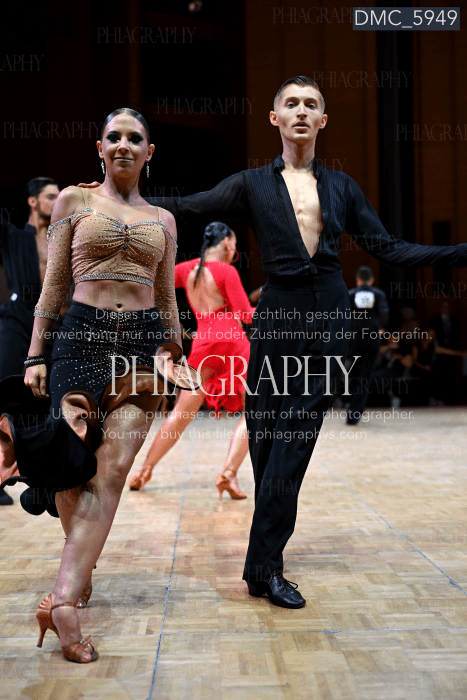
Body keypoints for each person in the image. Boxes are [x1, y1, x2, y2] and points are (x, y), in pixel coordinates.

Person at [81, 76, 467, 609]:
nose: (301, 111)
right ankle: (266, 564)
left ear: (322, 120)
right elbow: (188, 207)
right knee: (263, 439)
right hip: (277, 317)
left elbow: (391, 248)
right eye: (292, 104)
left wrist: (459, 253)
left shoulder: (342, 187)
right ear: (275, 118)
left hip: (328, 315)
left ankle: (264, 565)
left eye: (311, 104)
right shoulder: (250, 184)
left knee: (295, 437)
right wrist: (115, 198)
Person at [0, 108, 185, 662]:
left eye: (135, 138)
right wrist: (36, 354)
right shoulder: (73, 202)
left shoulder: (163, 219)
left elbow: (167, 296)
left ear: (149, 152)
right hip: (80, 340)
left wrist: (175, 351)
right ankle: (78, 568)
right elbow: (54, 284)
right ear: (99, 148)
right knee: (70, 468)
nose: (124, 144)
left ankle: (61, 602)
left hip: (142, 347)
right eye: (114, 137)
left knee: (112, 471)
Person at [129, 221, 255, 498]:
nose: (234, 250)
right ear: (226, 243)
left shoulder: (186, 269)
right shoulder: (227, 271)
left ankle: (143, 471)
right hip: (232, 342)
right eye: (234, 244)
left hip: (203, 343)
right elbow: (246, 315)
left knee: (181, 413)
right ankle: (228, 473)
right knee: (256, 413)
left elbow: (152, 288)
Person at [0, 177, 60, 506]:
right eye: (50, 196)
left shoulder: (62, 238)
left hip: (52, 323)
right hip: (18, 318)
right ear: (32, 201)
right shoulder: (12, 235)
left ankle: (40, 481)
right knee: (5, 393)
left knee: (47, 401)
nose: (57, 201)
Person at [346, 265, 389, 425]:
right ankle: (355, 410)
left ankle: (354, 408)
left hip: (356, 337)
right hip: (372, 336)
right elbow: (384, 313)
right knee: (366, 374)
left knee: (354, 372)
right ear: (372, 280)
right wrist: (381, 328)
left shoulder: (351, 293)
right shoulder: (378, 294)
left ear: (357, 280)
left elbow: (344, 315)